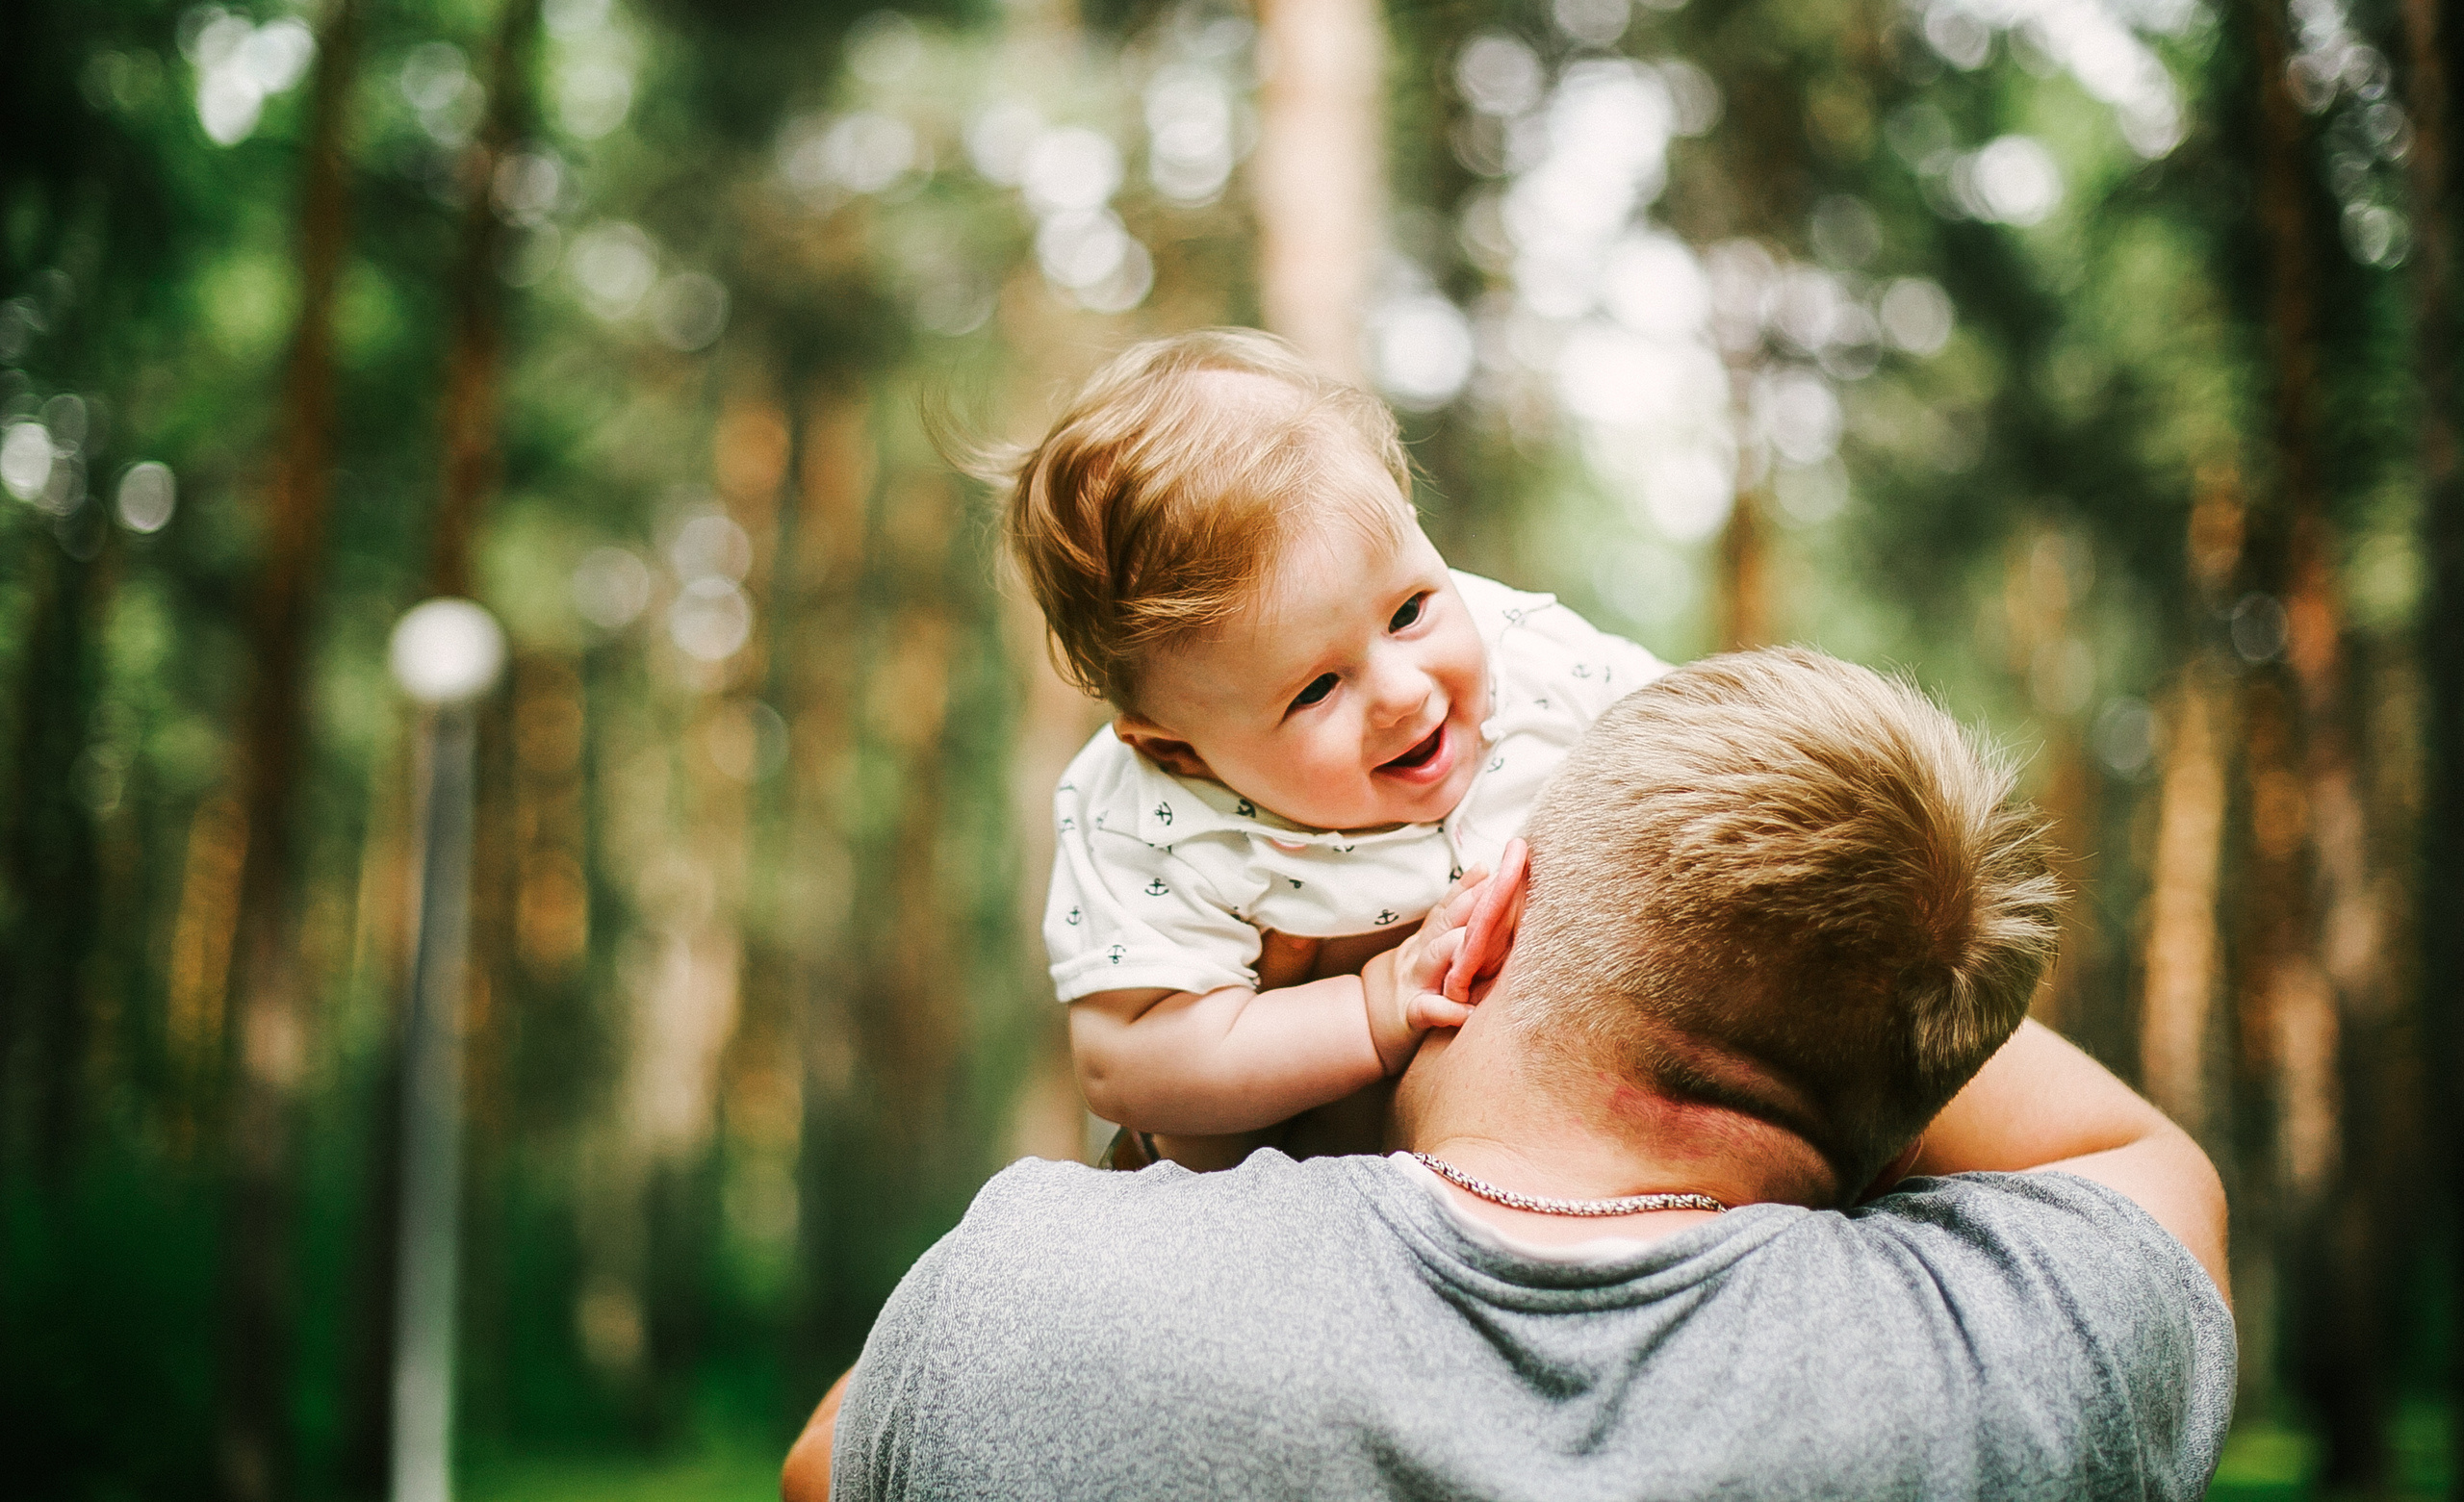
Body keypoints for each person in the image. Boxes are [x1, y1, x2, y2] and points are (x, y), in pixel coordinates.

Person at [783, 649, 2233, 1501]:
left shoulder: (1042, 1302)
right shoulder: (2035, 1367)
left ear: (1484, 912)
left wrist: (1207, 1124)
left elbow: (832, 1462)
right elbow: (2144, 1157)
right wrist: (1848, 979)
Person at [997, 328, 1669, 1165]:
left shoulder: (1535, 658)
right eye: (1316, 689)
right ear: (1179, 751)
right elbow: (1125, 1061)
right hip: (1307, 1183)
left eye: (1409, 610)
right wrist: (1369, 1008)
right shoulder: (1153, 821)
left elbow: (1702, 739)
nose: (1402, 692)